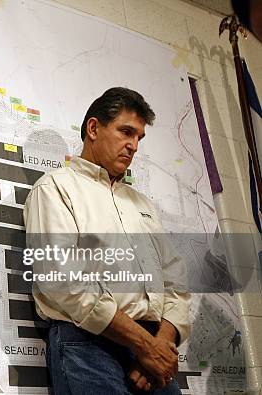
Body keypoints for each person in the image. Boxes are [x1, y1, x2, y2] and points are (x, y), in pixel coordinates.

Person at [23, 87, 191, 394]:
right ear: (93, 129)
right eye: (126, 132)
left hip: (151, 353)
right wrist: (145, 345)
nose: (133, 146)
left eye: (139, 137)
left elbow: (176, 284)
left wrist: (158, 345)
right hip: (88, 345)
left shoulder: (143, 204)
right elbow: (64, 282)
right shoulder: (54, 190)